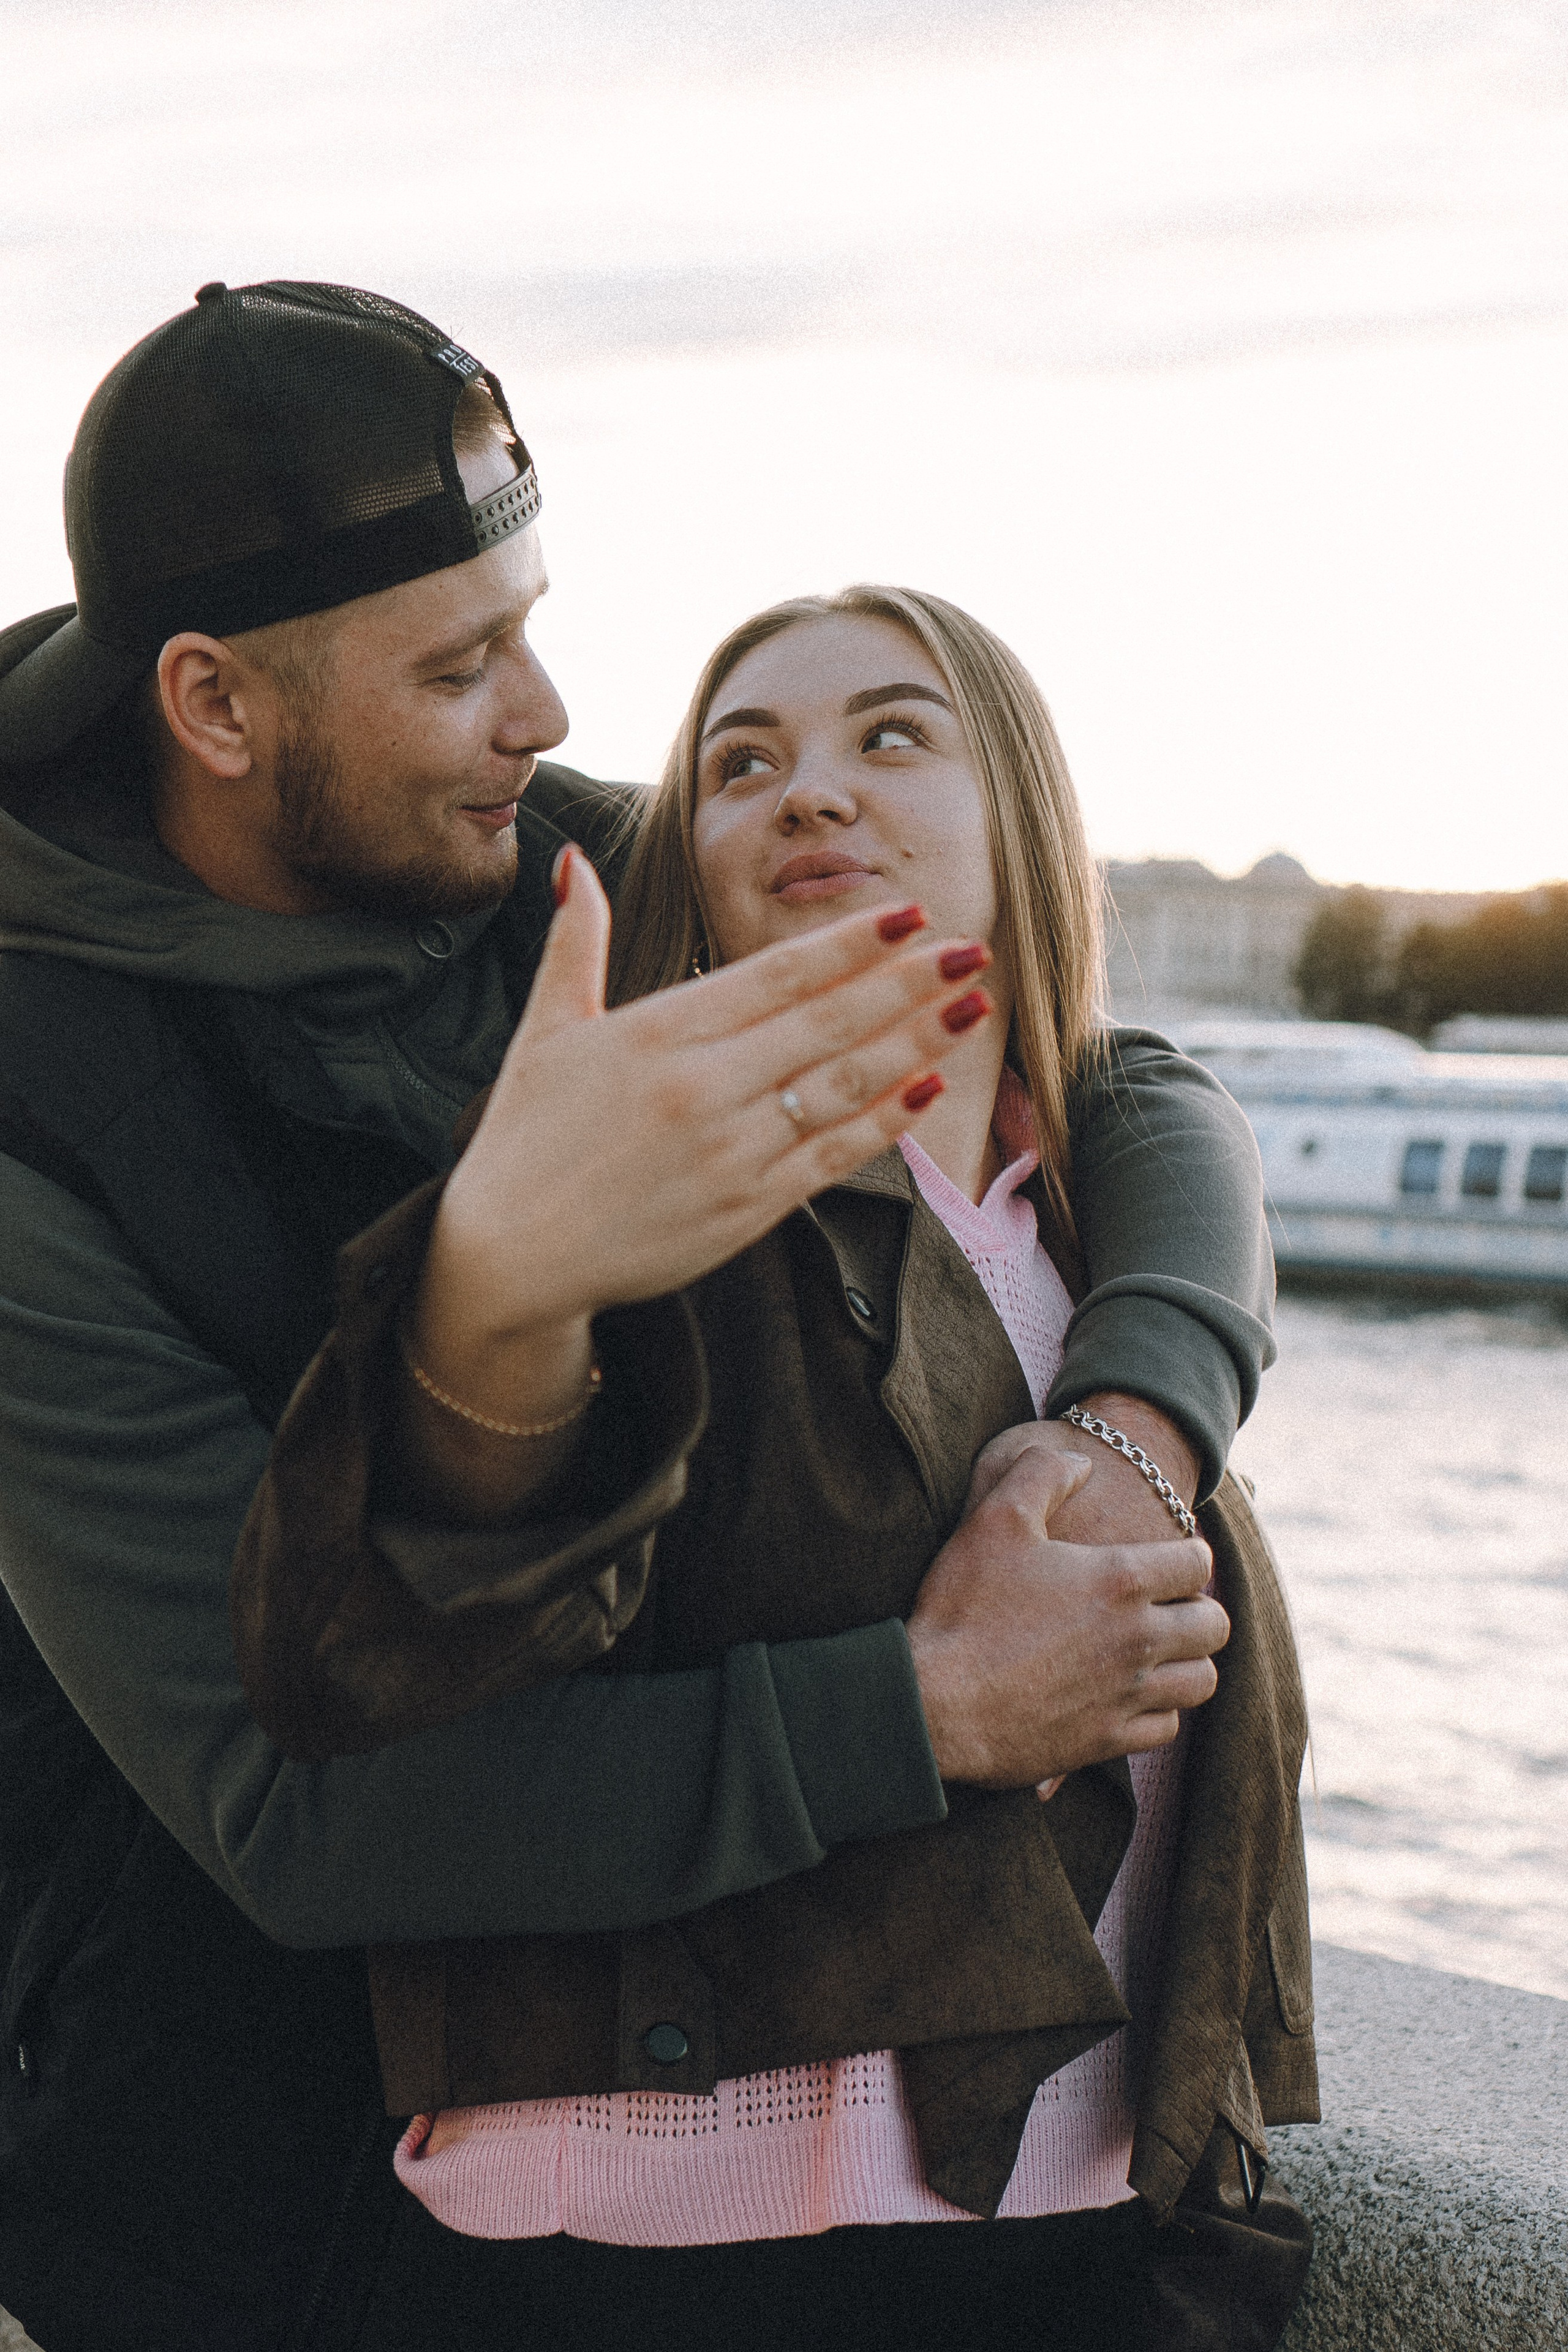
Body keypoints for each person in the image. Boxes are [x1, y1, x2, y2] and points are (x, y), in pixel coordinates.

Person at [0, 282, 1281, 2352]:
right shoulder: (27, 1122)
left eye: (530, 620)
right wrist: (937, 1707)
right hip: (236, 2195)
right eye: (463, 663)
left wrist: (1127, 1419)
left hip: (678, 2092)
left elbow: (1122, 1080)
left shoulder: (533, 852)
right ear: (219, 710)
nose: (545, 708)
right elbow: (292, 1812)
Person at [232, 584, 1317, 2352]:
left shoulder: (1090, 1230)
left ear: (1021, 817)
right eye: (743, 765)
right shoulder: (644, 1205)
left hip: (1089, 2229)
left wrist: (1132, 1437)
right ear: (694, 861)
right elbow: (403, 1628)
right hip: (649, 2256)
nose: (809, 792)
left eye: (891, 736)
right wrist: (500, 1299)